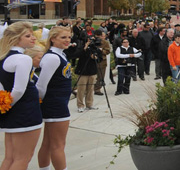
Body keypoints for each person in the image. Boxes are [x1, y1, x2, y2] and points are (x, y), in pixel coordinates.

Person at [0, 22, 41, 170]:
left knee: (10, 158)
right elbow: (18, 90)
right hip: (26, 113)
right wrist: (6, 107)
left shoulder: (3, 57)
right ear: (16, 38)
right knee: (23, 158)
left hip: (12, 114)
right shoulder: (23, 59)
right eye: (28, 36)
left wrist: (5, 108)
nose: (33, 39)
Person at [34, 26, 72, 170]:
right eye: (63, 37)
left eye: (69, 37)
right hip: (55, 105)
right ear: (53, 39)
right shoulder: (52, 57)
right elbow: (41, 86)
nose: (67, 40)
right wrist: (40, 103)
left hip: (57, 103)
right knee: (58, 145)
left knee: (49, 143)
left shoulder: (60, 54)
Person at [73, 30, 105, 113]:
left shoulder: (96, 49)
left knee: (91, 89)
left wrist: (95, 58)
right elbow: (77, 54)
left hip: (92, 71)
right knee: (81, 89)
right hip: (83, 71)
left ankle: (89, 104)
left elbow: (100, 59)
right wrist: (85, 46)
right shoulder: (83, 47)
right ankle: (80, 105)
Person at [93, 30, 112, 95]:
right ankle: (90, 88)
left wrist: (101, 50)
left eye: (99, 36)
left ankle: (97, 89)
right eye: (96, 36)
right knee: (91, 76)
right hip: (92, 60)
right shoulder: (92, 41)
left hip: (101, 61)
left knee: (100, 76)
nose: (98, 38)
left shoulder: (105, 42)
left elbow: (108, 51)